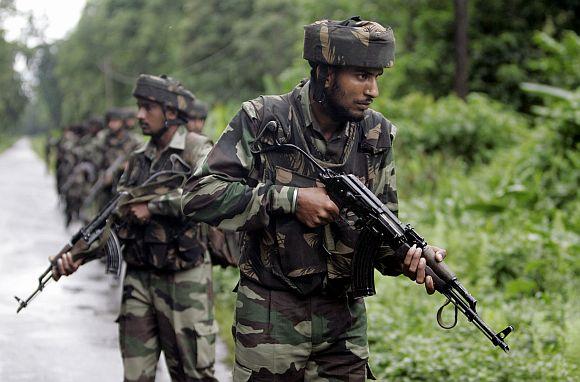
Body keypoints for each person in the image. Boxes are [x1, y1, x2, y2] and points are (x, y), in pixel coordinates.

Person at [179, 17, 447, 381]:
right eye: (361, 76)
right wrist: (288, 200)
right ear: (325, 73)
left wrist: (410, 258)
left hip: (344, 323)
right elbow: (198, 195)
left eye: (376, 77)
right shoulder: (263, 120)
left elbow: (381, 230)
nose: (373, 91)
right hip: (270, 318)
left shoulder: (376, 133)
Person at [53, 74, 218, 382]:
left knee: (194, 374)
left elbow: (209, 197)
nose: (139, 115)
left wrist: (153, 206)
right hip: (139, 278)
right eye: (138, 108)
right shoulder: (137, 159)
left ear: (171, 112)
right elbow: (117, 219)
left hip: (184, 281)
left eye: (147, 108)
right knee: (135, 375)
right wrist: (77, 255)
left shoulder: (197, 150)